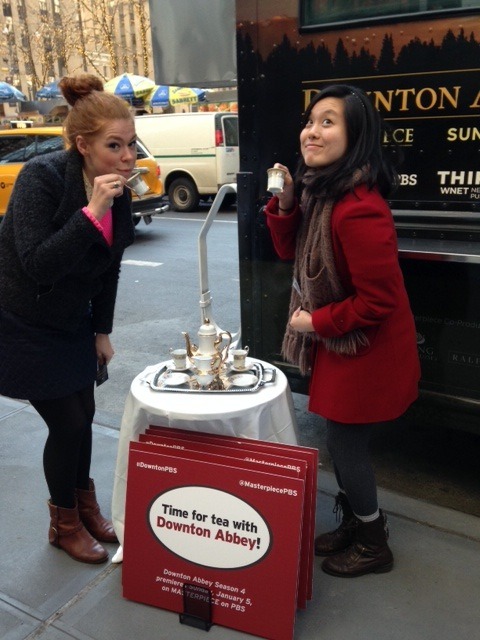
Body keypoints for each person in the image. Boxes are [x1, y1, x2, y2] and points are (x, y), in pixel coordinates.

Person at [264, 84, 420, 577]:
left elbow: (380, 300)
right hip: (346, 347)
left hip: (367, 352)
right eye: (311, 120)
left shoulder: (359, 207)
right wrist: (287, 203)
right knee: (337, 440)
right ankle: (356, 523)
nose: (312, 130)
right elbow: (293, 253)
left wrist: (315, 321)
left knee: (346, 446)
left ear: (356, 136)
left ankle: (374, 542)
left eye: (328, 121)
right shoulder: (322, 191)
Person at [0, 74, 136, 564]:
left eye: (131, 144)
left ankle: (85, 506)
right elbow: (36, 263)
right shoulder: (43, 178)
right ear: (82, 145)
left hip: (73, 322)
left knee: (87, 415)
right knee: (69, 425)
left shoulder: (122, 194)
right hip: (22, 319)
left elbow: (110, 269)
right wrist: (92, 210)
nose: (127, 157)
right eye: (114, 146)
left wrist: (102, 330)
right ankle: (63, 523)